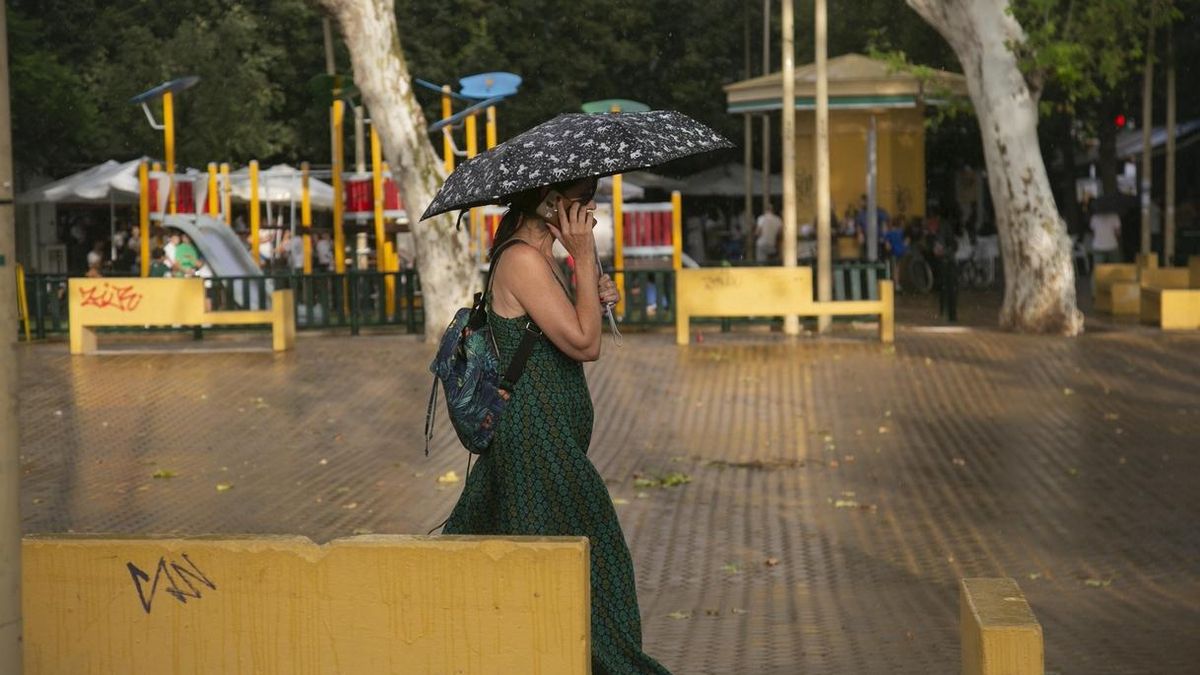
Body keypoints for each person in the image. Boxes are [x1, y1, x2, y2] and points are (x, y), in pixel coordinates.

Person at [440, 177, 671, 675]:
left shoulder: (542, 256)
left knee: (562, 567)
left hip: (554, 440)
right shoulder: (522, 258)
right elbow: (585, 344)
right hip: (532, 443)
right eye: (582, 203)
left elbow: (577, 326)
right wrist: (584, 257)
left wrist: (594, 285)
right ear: (548, 202)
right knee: (589, 569)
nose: (589, 214)